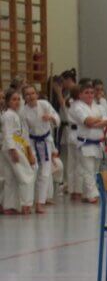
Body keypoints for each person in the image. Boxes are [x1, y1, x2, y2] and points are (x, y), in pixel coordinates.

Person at [19, 84, 60, 213]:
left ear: (37, 94)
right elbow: (24, 134)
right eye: (27, 94)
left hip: (46, 141)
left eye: (33, 93)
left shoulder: (44, 104)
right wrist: (28, 152)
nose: (31, 96)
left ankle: (40, 203)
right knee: (33, 171)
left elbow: (56, 117)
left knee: (45, 173)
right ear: (24, 97)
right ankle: (28, 202)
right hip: (31, 143)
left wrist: (51, 118)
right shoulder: (23, 112)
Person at [68, 80, 107, 204]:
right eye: (86, 92)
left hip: (98, 143)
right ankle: (92, 195)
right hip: (85, 143)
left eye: (92, 92)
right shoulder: (77, 107)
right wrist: (99, 121)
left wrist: (96, 122)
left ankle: (87, 194)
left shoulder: (99, 107)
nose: (90, 95)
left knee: (95, 170)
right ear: (80, 94)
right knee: (88, 169)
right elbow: (87, 121)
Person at [2, 88, 36, 215]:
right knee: (27, 175)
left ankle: (9, 206)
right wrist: (13, 150)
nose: (17, 102)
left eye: (18, 99)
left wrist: (27, 150)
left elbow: (21, 136)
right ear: (7, 102)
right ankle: (26, 204)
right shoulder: (8, 115)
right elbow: (7, 133)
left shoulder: (15, 114)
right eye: (13, 100)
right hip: (12, 147)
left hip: (14, 145)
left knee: (10, 177)